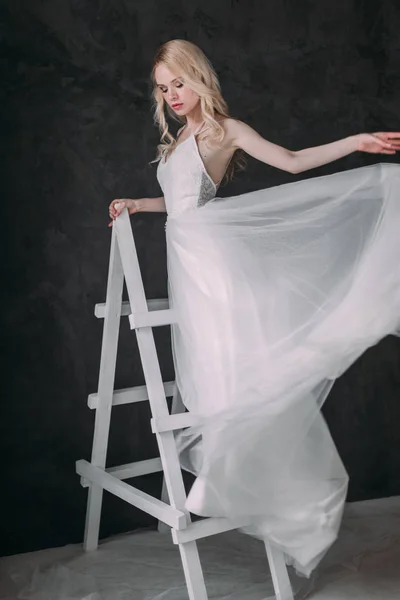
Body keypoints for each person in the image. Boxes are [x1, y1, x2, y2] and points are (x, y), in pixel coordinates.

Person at [108, 39, 400, 577]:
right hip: (189, 263)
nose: (173, 95)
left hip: (215, 266)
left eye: (180, 82)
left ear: (199, 78)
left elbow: (291, 162)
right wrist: (135, 203)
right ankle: (231, 478)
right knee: (212, 371)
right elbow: (177, 204)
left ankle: (235, 482)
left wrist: (358, 141)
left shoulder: (225, 130)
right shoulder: (177, 142)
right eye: (164, 87)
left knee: (233, 369)